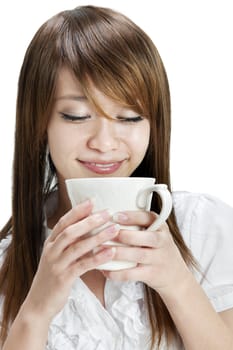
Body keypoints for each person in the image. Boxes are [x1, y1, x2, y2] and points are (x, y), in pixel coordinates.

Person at [0, 5, 233, 350]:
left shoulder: (204, 227)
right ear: (39, 122)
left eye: (129, 117)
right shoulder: (9, 264)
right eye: (76, 116)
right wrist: (36, 310)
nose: (105, 143)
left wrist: (177, 283)